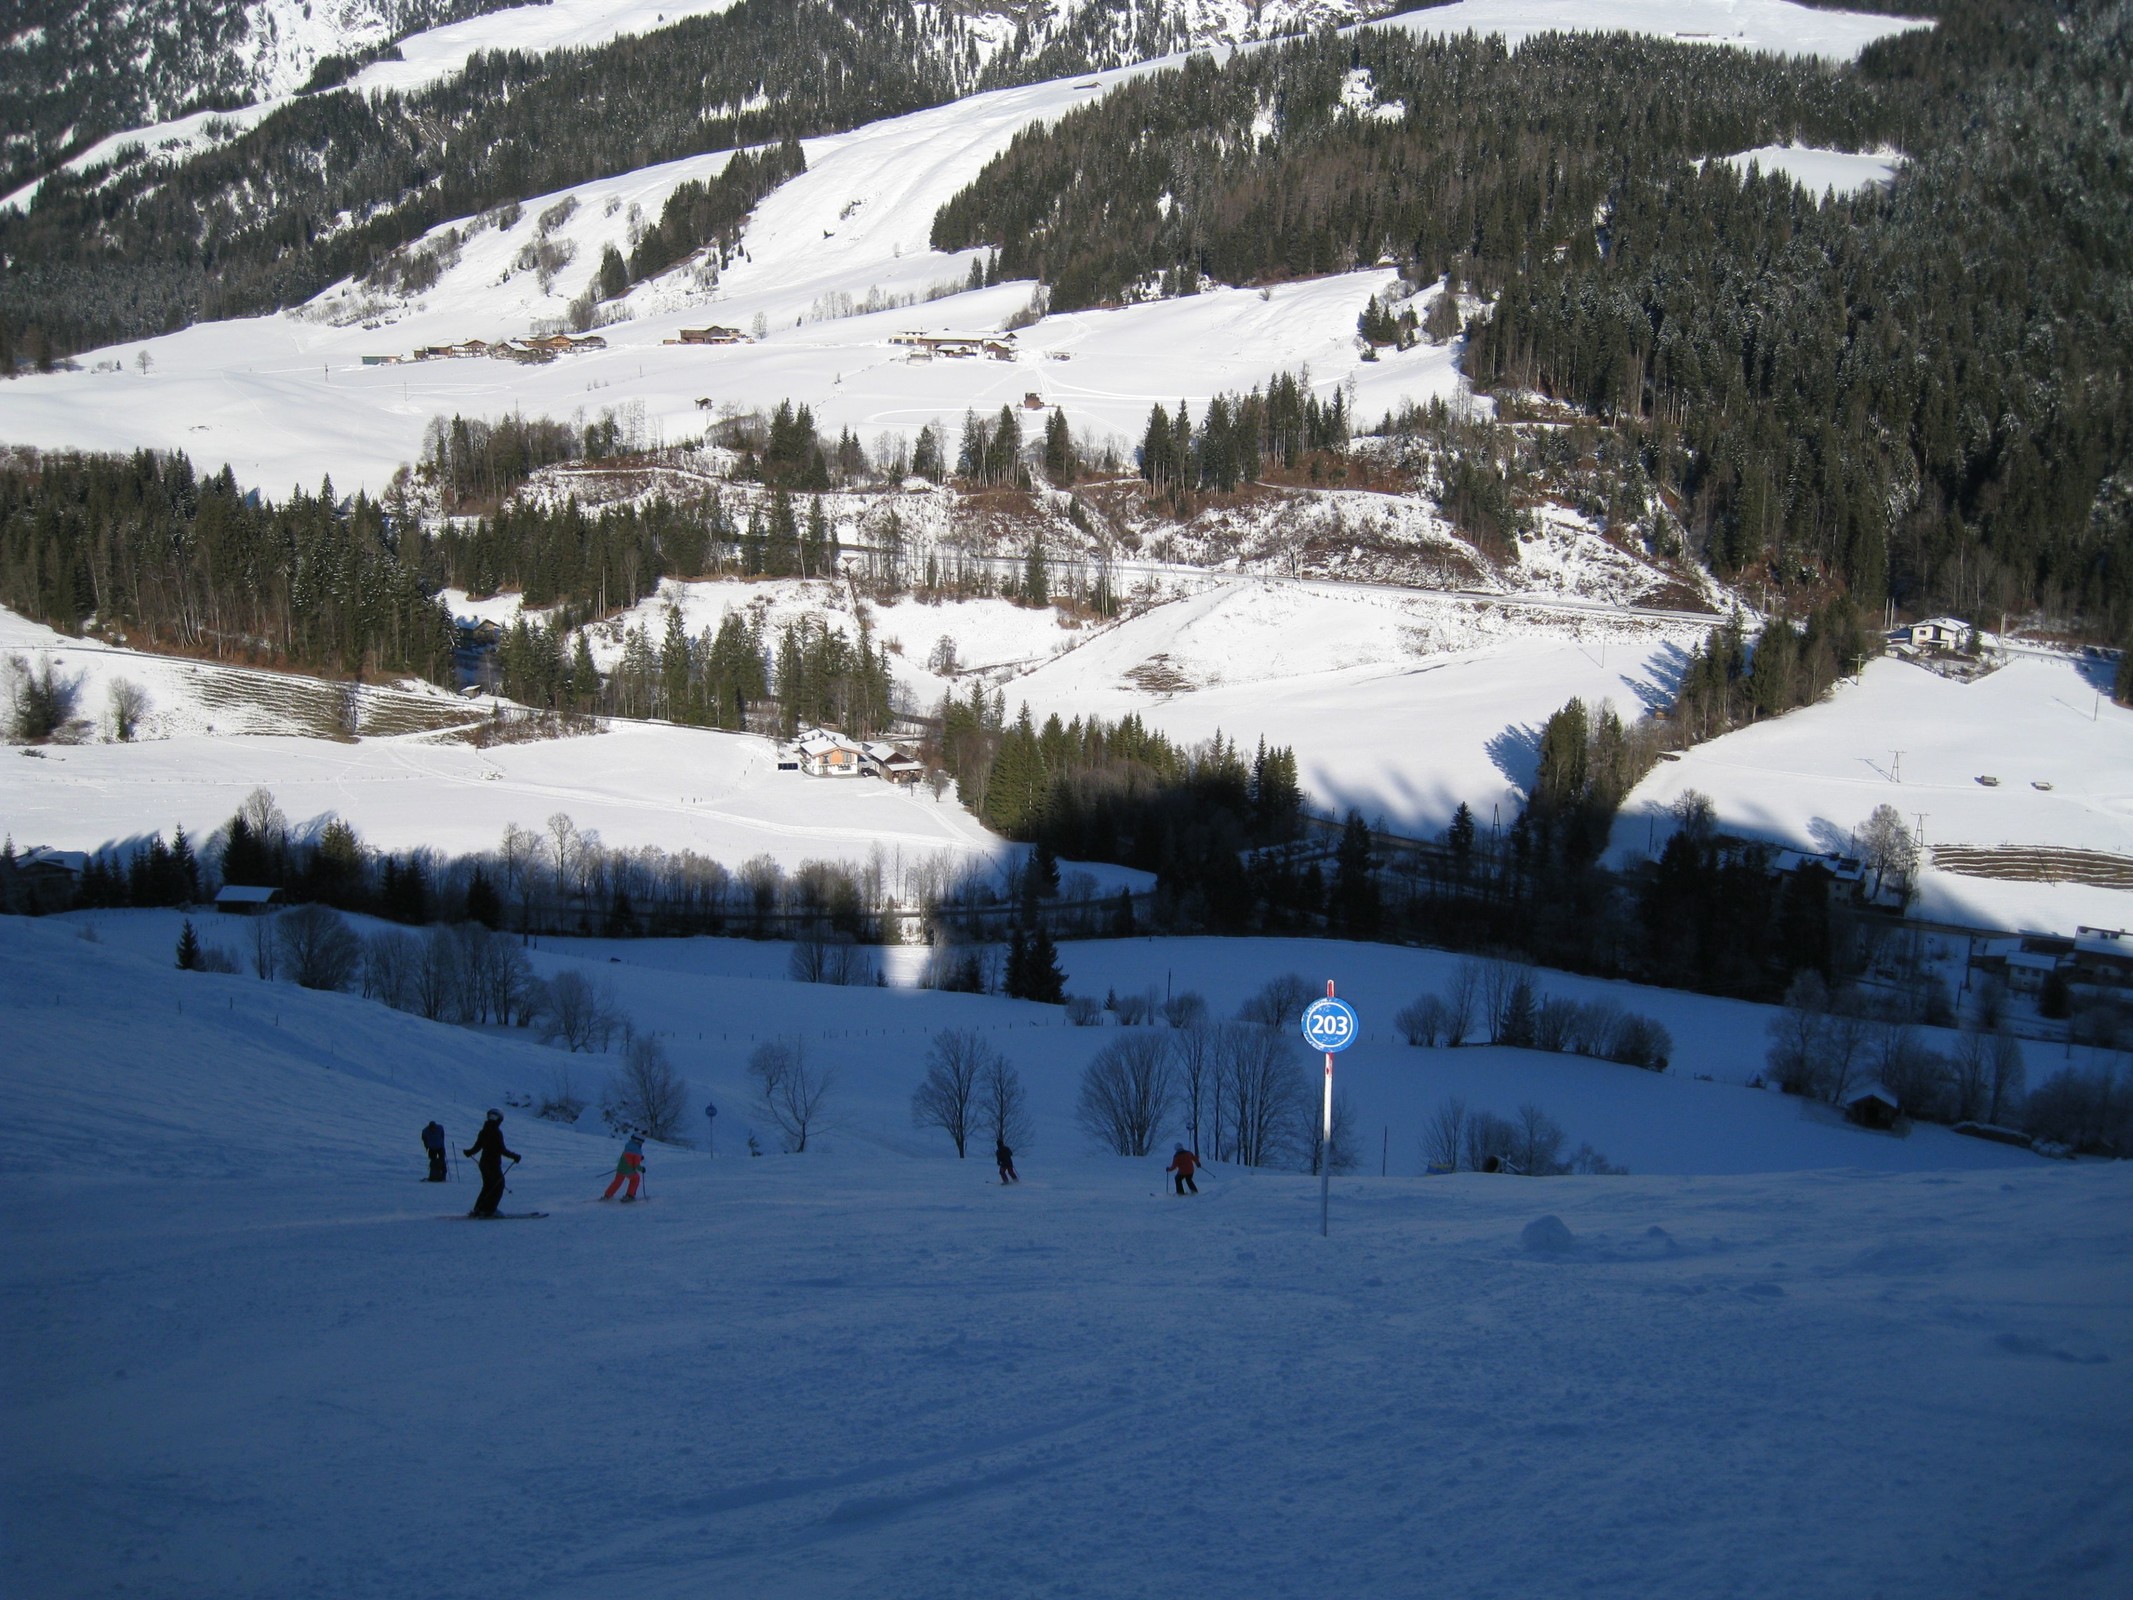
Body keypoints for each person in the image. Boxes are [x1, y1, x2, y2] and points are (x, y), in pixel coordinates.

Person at [463, 1109, 519, 1218]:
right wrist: (515, 1156)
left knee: (488, 1186)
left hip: (484, 1164)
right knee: (498, 1185)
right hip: (492, 1164)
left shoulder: (483, 1131)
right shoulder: (497, 1133)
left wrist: (469, 1152)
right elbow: (502, 1150)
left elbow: (477, 1147)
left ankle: (479, 1209)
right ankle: (490, 1210)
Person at [604, 1132, 646, 1202]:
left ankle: (607, 1195)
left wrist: (639, 1158)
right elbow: (636, 1166)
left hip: (620, 1168)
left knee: (617, 1182)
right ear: (639, 1141)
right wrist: (642, 1169)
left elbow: (628, 1156)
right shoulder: (638, 1150)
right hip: (628, 1170)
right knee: (635, 1179)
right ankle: (629, 1196)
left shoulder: (628, 1145)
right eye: (642, 1142)